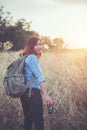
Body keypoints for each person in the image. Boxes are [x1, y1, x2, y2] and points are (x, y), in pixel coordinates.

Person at [20, 36, 54, 130]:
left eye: (40, 44)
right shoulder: (32, 57)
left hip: (24, 94)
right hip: (33, 94)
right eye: (36, 45)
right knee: (39, 122)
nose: (39, 46)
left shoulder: (25, 56)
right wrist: (46, 95)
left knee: (28, 121)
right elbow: (39, 77)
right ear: (31, 46)